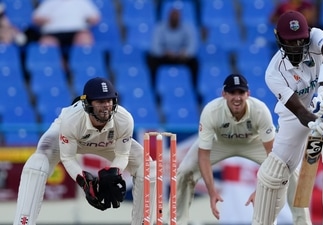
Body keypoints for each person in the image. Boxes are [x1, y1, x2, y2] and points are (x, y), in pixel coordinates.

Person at [250, 11, 323, 225]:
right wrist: (313, 120)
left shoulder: (316, 35)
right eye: (291, 42)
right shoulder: (274, 73)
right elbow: (299, 111)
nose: (297, 46)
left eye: (300, 40)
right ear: (279, 38)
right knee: (274, 172)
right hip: (296, 111)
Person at [13, 77, 156, 225]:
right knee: (37, 162)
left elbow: (122, 154)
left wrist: (114, 171)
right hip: (73, 138)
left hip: (108, 142)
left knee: (148, 167)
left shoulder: (124, 119)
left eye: (109, 100)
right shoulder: (71, 119)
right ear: (88, 104)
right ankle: (24, 222)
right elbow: (67, 157)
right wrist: (83, 181)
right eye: (100, 102)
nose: (106, 106)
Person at [174, 74, 312, 225]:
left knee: (289, 170)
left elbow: (273, 156)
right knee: (184, 171)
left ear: (248, 94)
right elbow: (204, 156)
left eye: (241, 92)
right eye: (232, 93)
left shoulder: (260, 110)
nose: (237, 98)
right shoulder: (211, 111)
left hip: (254, 143)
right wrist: (212, 191)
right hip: (220, 143)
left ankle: (302, 222)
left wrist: (260, 190)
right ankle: (177, 221)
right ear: (224, 94)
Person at [146, 8, 199, 88]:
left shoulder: (187, 28)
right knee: (151, 60)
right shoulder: (160, 28)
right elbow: (155, 47)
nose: (174, 20)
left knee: (195, 63)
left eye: (176, 18)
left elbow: (192, 46)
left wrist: (185, 53)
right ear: (168, 18)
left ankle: (194, 88)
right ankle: (153, 88)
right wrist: (164, 52)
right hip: (165, 57)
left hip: (181, 58)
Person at [32, 0, 101, 48]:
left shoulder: (82, 2)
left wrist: (89, 19)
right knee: (46, 42)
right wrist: (44, 20)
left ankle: (79, 65)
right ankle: (55, 66)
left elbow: (96, 18)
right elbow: (36, 19)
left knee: (85, 39)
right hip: (53, 32)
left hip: (77, 30)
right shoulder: (49, 2)